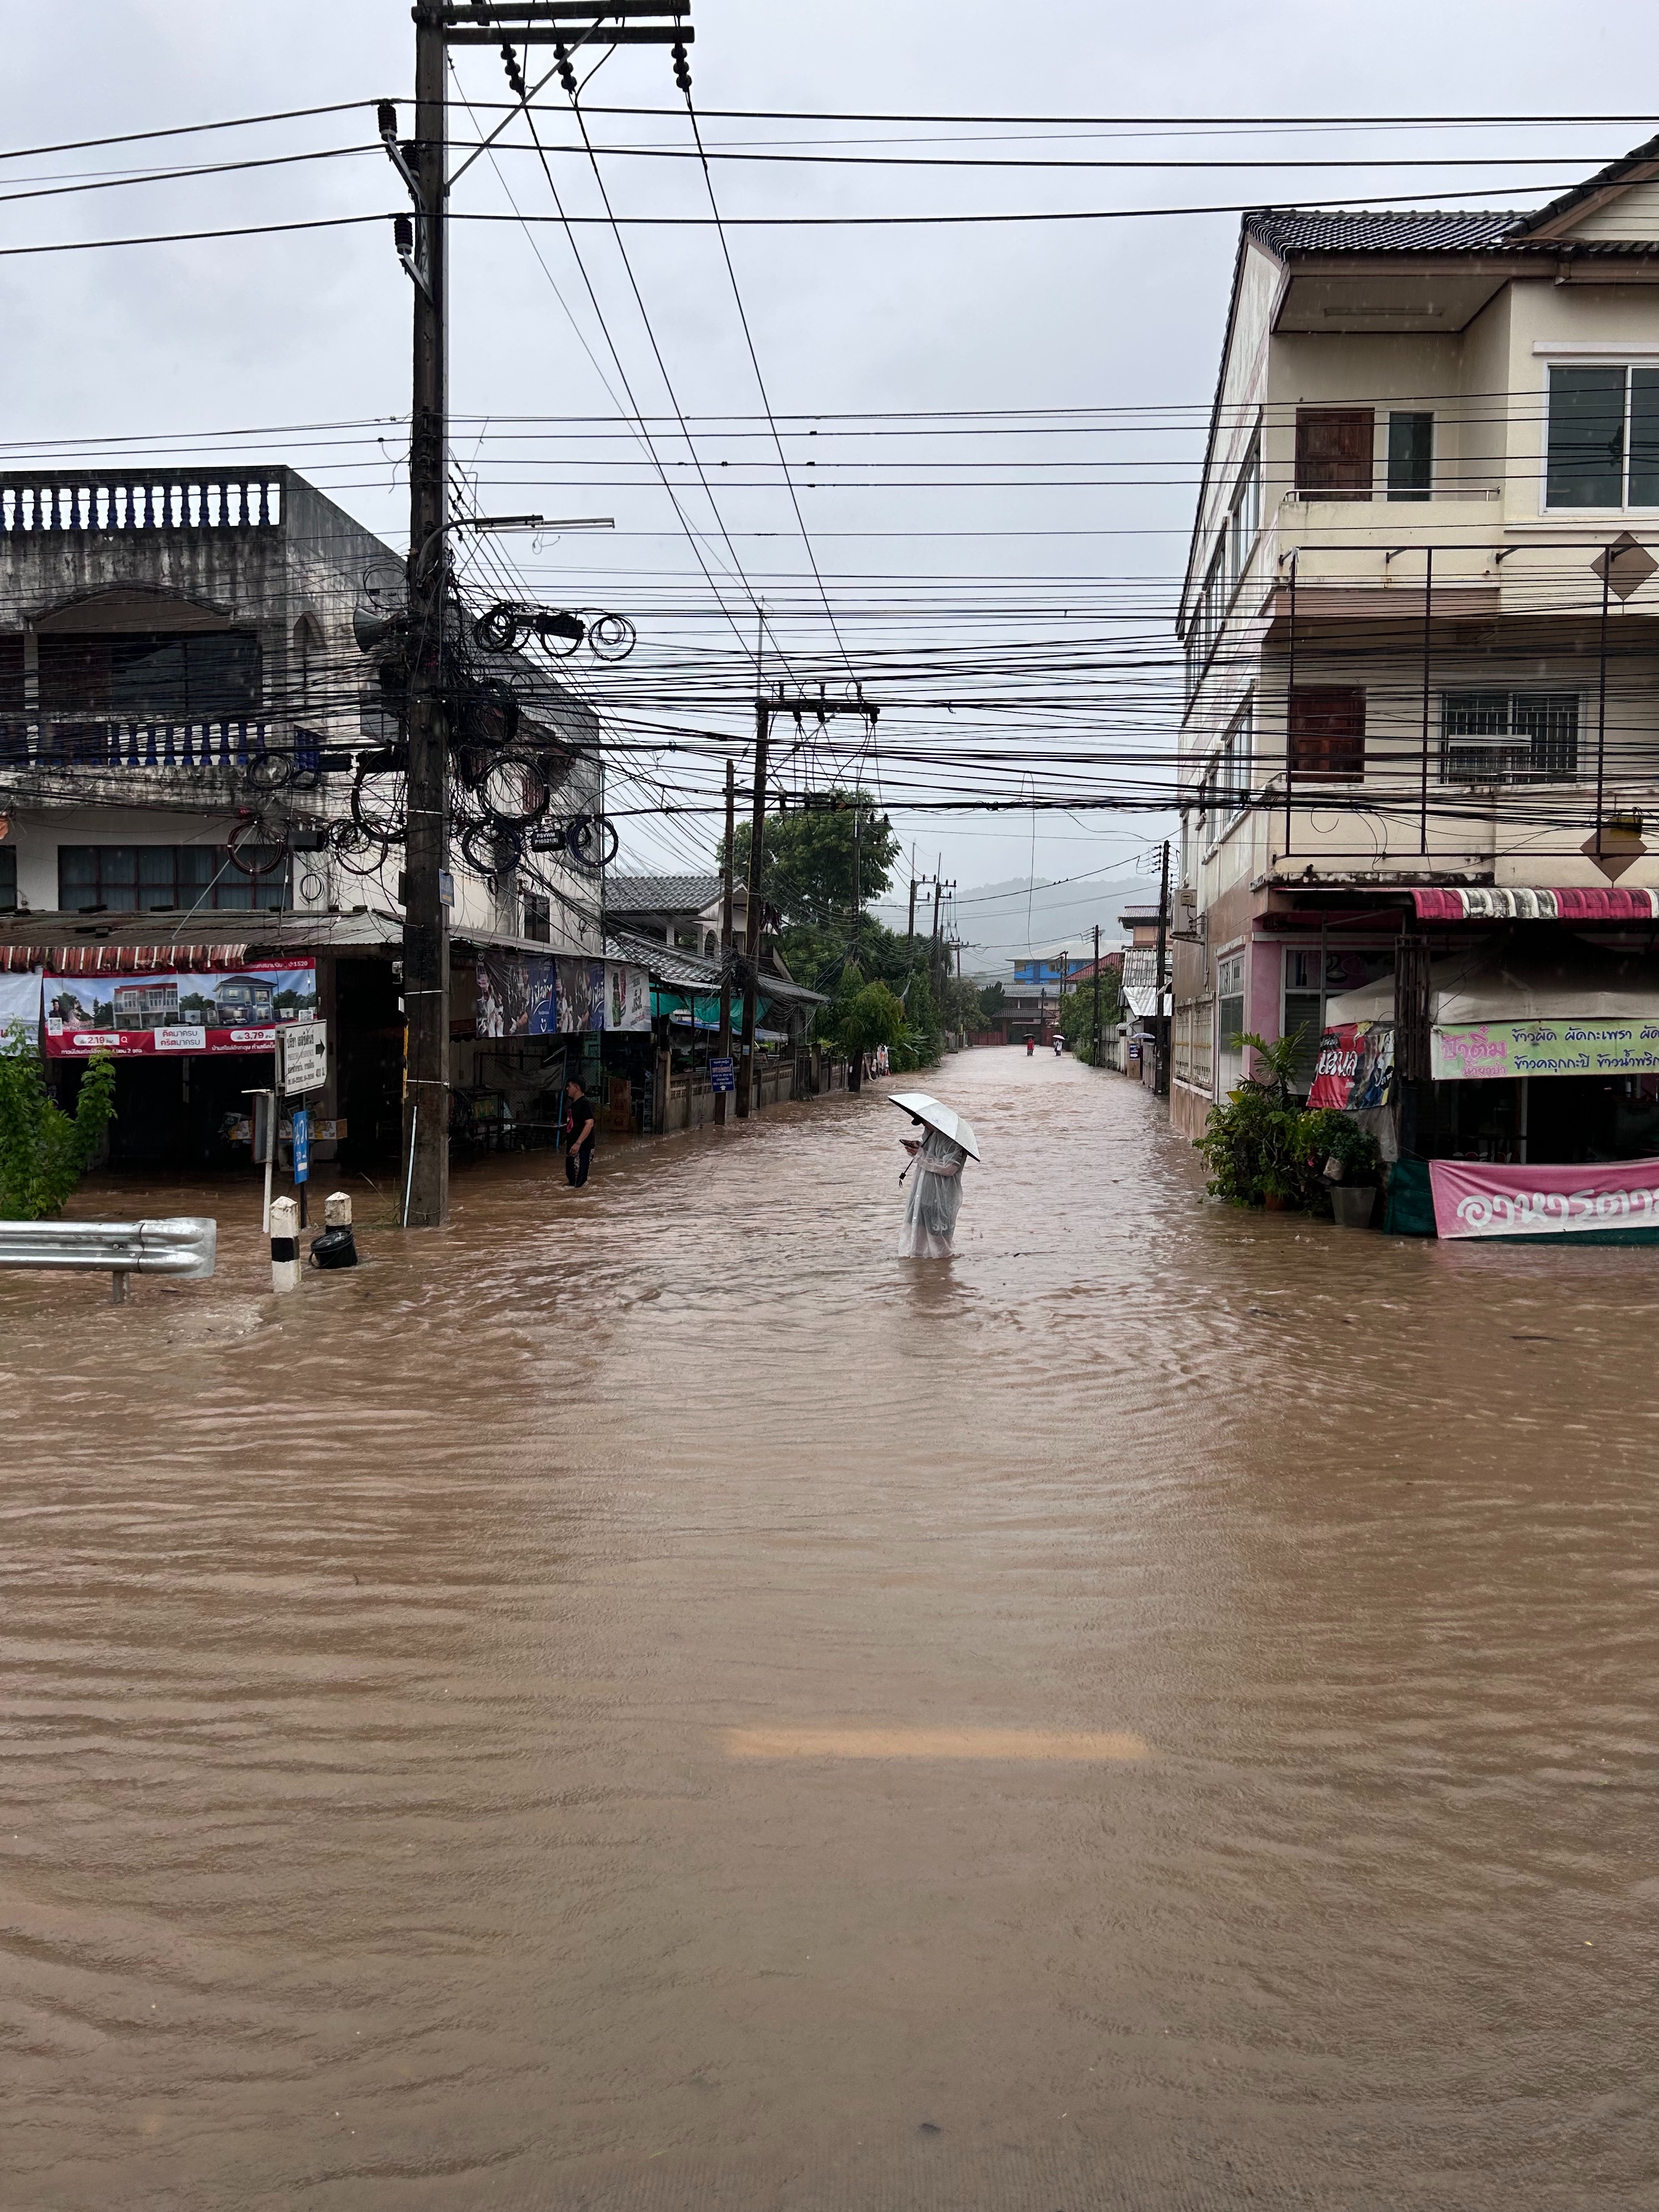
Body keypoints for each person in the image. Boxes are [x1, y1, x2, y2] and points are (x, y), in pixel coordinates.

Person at [898, 1115, 968, 1259]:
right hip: (922, 1192)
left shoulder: (954, 1141)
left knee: (940, 1239)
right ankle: (918, 1268)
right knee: (917, 1234)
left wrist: (921, 1154)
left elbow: (949, 1168)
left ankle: (943, 1269)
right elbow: (930, 1155)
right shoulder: (930, 1133)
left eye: (925, 1123)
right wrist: (918, 1147)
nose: (924, 1126)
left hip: (942, 1197)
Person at [563, 1075, 597, 1188]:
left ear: (577, 1087)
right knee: (572, 1179)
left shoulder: (585, 1104)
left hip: (583, 1148)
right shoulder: (574, 1105)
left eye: (569, 1086)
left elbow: (590, 1123)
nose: (567, 1089)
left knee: (578, 1183)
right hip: (573, 1147)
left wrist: (578, 1143)